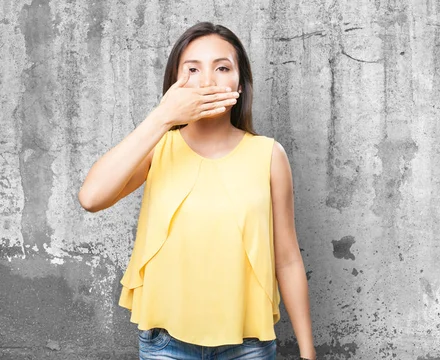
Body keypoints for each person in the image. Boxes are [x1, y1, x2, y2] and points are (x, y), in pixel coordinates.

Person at [78, 22, 316, 360]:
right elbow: (91, 198)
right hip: (166, 347)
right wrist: (162, 116)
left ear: (240, 81)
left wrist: (308, 353)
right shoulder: (157, 148)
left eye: (222, 68)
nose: (207, 81)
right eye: (193, 69)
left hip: (249, 347)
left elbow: (288, 260)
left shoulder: (269, 155)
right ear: (176, 82)